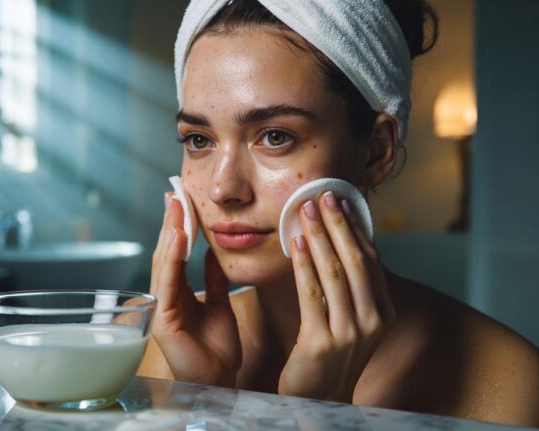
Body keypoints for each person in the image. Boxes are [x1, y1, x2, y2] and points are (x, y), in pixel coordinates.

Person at [137, 0, 539, 426]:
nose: (223, 189)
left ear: (375, 152)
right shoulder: (146, 347)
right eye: (199, 140)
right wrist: (204, 401)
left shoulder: (511, 385)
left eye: (274, 136)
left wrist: (323, 416)